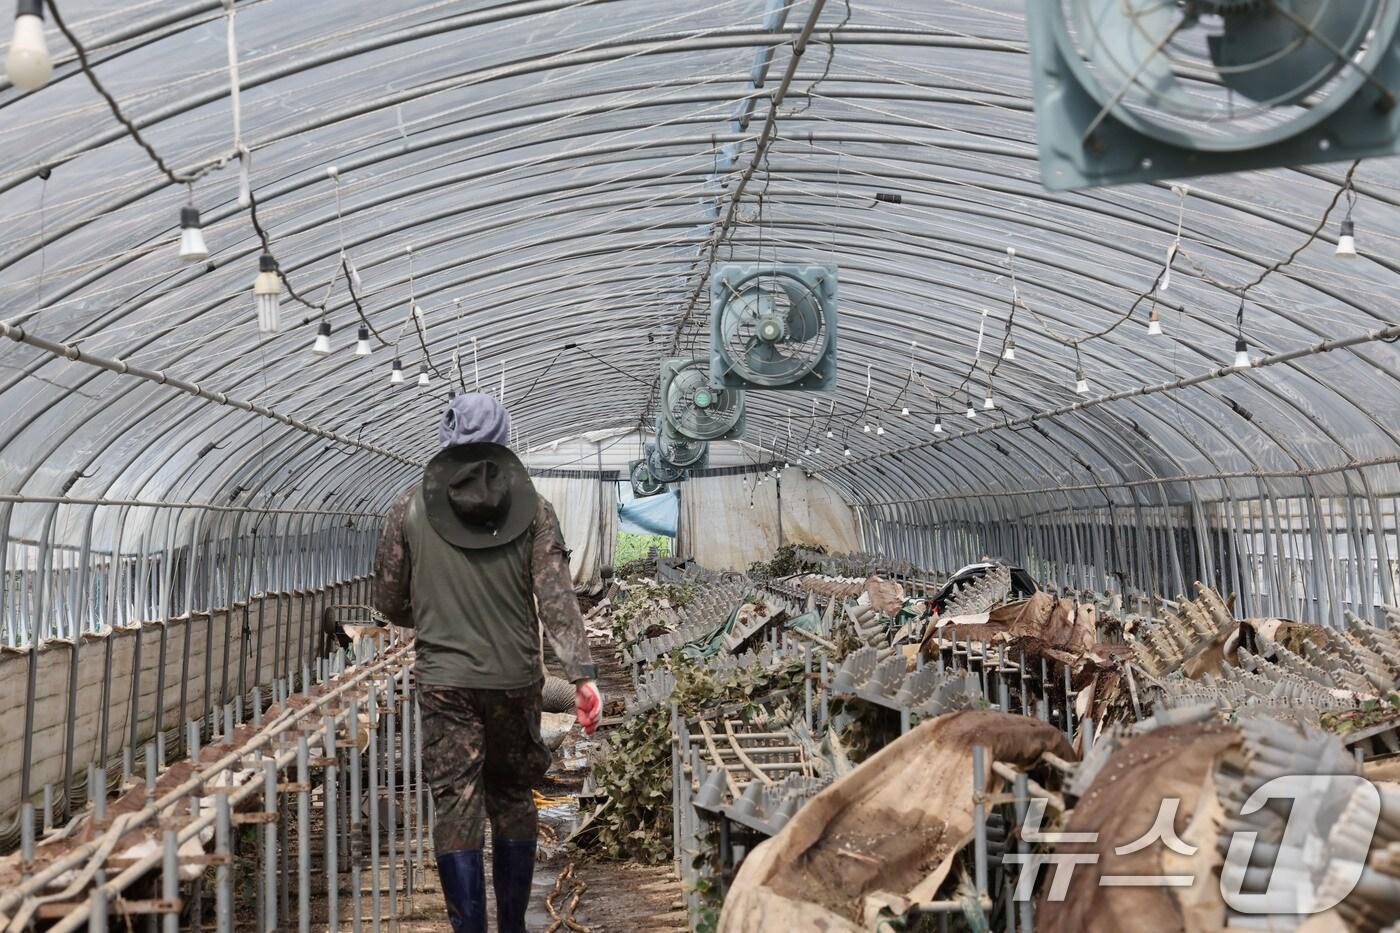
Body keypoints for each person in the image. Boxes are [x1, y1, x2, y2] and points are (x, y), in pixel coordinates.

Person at [373, 393, 601, 933]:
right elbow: (556, 598)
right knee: (512, 794)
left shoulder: (408, 506)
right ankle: (513, 928)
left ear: (447, 440)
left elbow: (387, 600)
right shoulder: (535, 510)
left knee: (457, 802)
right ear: (505, 439)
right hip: (515, 680)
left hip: (445, 681)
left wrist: (431, 613)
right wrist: (582, 677)